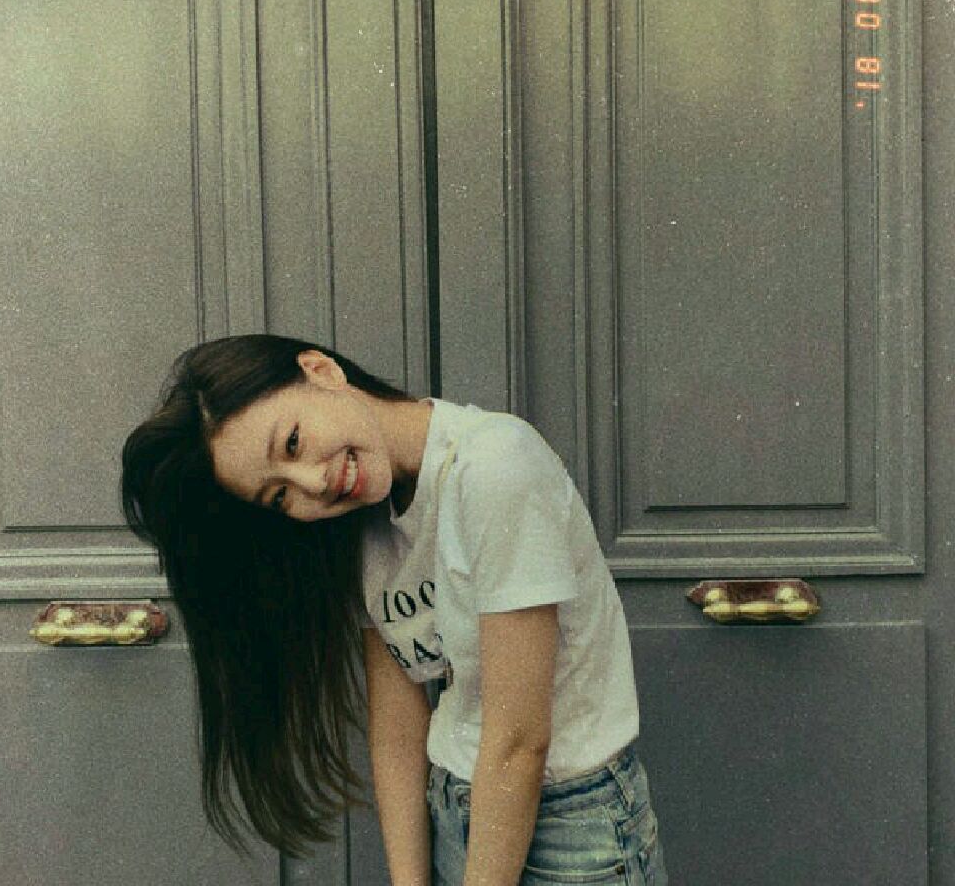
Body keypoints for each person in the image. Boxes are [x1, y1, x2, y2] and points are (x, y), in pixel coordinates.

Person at [121, 333, 667, 886]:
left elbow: (519, 742)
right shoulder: (361, 522)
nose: (313, 483)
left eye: (292, 443)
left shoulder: (495, 466)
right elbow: (397, 723)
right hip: (454, 808)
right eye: (280, 496)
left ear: (320, 371)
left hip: (573, 828)